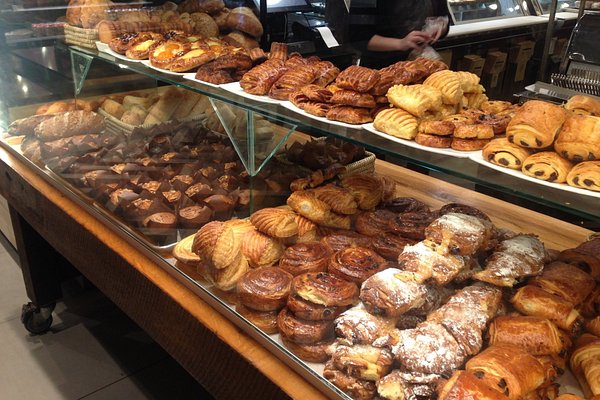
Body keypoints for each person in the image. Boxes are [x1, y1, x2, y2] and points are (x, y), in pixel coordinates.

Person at [360, 0, 450, 69]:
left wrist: (440, 27)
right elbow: (358, 38)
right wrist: (400, 43)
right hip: (381, 70)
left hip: (422, 66)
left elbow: (443, 17)